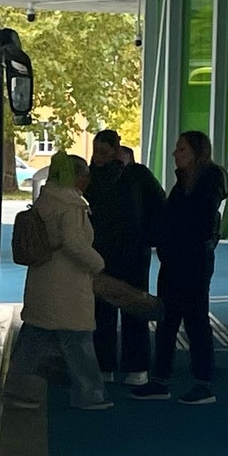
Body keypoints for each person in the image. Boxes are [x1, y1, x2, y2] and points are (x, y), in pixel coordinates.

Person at [4, 152, 112, 411]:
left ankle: (18, 389)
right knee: (79, 340)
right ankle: (89, 394)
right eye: (84, 176)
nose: (87, 181)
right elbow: (74, 243)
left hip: (43, 281)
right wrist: (98, 263)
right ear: (76, 177)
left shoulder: (46, 198)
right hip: (68, 285)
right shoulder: (71, 205)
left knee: (34, 336)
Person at [132, 130, 228, 405]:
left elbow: (191, 224)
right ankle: (161, 380)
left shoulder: (204, 185)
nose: (175, 153)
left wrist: (166, 239)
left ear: (197, 153)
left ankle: (202, 383)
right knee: (168, 319)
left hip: (191, 261)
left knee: (194, 320)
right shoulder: (188, 182)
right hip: (177, 260)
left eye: (182, 149)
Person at [85, 130, 165, 386]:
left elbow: (159, 204)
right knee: (103, 311)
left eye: (104, 152)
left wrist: (147, 236)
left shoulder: (136, 174)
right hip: (104, 253)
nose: (98, 158)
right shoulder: (92, 176)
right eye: (96, 152)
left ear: (116, 150)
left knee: (134, 307)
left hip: (131, 252)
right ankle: (105, 364)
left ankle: (136, 366)